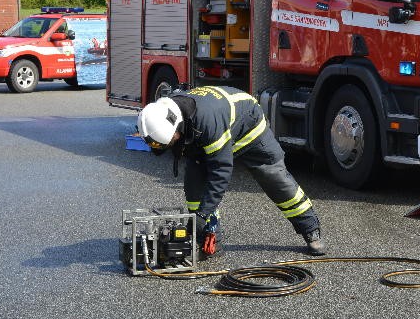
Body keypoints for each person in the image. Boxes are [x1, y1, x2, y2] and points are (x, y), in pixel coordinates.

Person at [137, 85, 325, 257]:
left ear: (177, 124)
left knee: (274, 178)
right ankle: (210, 240)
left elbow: (221, 171)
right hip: (207, 136)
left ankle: (310, 230)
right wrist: (199, 216)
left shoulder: (208, 122)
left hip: (248, 128)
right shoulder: (164, 113)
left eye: (171, 140)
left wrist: (203, 214)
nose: (170, 144)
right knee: (194, 188)